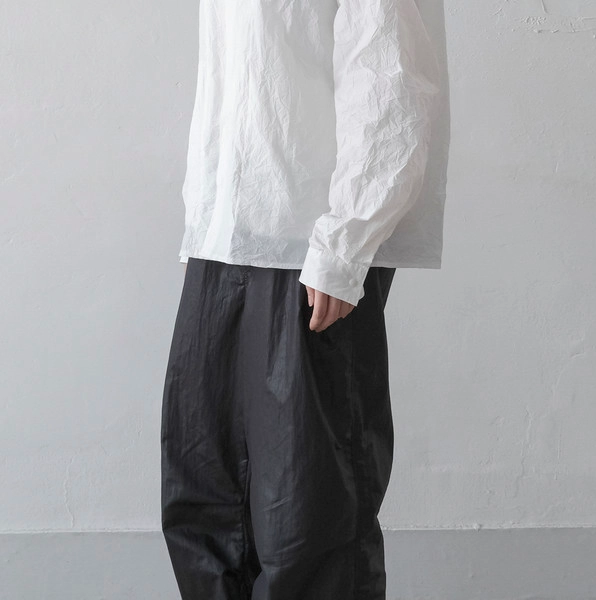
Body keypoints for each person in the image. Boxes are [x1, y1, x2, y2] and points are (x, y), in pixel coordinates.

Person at [161, 0, 445, 598]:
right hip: (227, 238)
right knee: (205, 499)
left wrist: (342, 246)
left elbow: (388, 72)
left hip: (308, 240)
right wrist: (207, 220)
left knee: (308, 509)